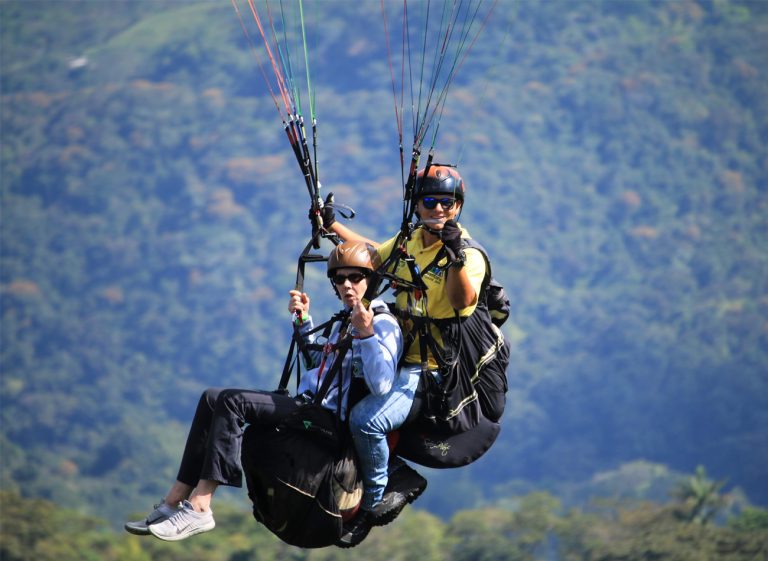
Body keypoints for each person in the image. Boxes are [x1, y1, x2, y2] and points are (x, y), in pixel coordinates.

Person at [124, 241, 404, 543]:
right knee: (212, 398)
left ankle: (201, 506)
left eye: (356, 277)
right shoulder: (344, 321)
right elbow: (318, 367)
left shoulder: (383, 324)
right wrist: (303, 321)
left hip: (327, 423)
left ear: (372, 280)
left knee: (232, 403)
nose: (347, 285)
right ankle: (172, 502)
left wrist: (367, 334)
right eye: (339, 279)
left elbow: (382, 385)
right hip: (308, 406)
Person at [326, 164, 495, 543]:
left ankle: (373, 502)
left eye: (446, 202)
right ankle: (396, 472)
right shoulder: (411, 240)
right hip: (399, 353)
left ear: (458, 206)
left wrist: (452, 254)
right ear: (417, 205)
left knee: (366, 421)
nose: (438, 209)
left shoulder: (469, 254)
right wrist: (331, 226)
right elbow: (373, 256)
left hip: (430, 371)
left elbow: (462, 300)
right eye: (429, 201)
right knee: (324, 399)